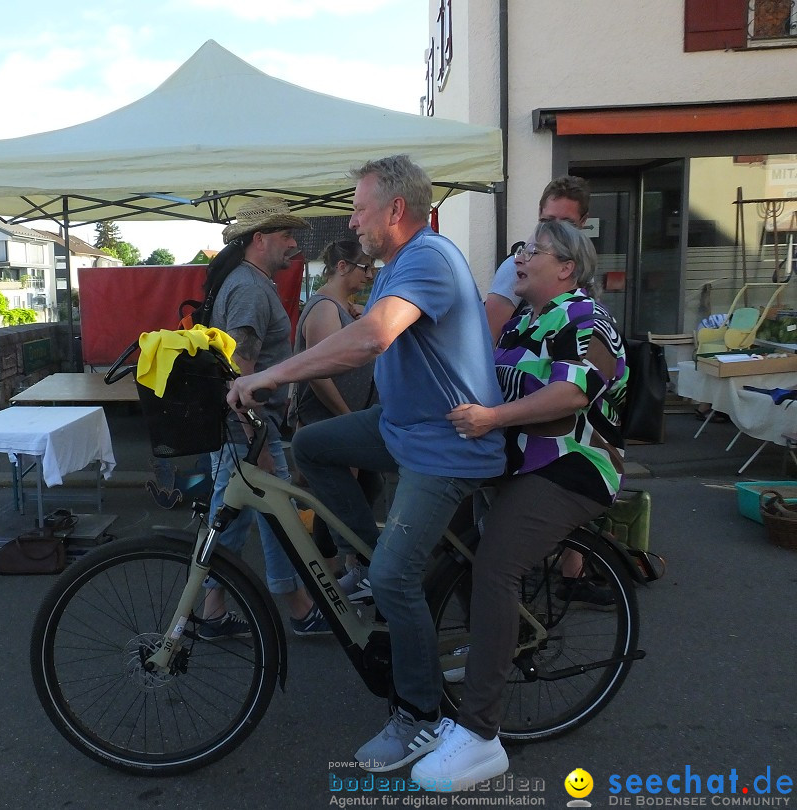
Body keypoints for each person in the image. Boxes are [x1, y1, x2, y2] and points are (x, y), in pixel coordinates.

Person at [228, 155, 506, 775]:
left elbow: (374, 336)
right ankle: (360, 560)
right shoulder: (395, 265)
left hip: (446, 444)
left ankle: (421, 717)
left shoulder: (428, 257)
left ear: (396, 210)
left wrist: (272, 373)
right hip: (401, 428)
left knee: (396, 577)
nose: (351, 222)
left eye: (358, 209)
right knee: (313, 447)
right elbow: (350, 340)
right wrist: (288, 373)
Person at [424, 219, 627, 790]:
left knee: (496, 565)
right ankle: (485, 648)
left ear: (566, 268)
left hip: (572, 466)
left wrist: (492, 418)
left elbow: (572, 392)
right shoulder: (523, 320)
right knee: (449, 546)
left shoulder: (585, 317)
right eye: (521, 247)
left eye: (532, 250)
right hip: (515, 463)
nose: (520, 256)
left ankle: (480, 734)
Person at [198, 196, 331, 640]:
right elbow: (242, 372)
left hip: (249, 427)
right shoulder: (251, 288)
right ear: (259, 240)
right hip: (249, 426)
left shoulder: (245, 282)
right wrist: (256, 441)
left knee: (240, 516)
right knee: (269, 515)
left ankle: (216, 609)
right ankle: (296, 606)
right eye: (286, 235)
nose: (294, 244)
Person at [292, 239, 382, 587]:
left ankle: (350, 571)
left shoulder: (341, 305)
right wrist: (349, 419)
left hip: (344, 417)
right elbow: (318, 375)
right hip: (330, 419)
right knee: (334, 504)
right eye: (365, 267)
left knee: (355, 497)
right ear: (342, 267)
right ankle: (331, 581)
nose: (370, 275)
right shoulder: (325, 308)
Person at [485, 176, 591, 342]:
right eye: (547, 221)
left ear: (583, 221)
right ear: (539, 214)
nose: (554, 230)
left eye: (566, 223)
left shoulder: (584, 269)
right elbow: (488, 339)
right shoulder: (517, 266)